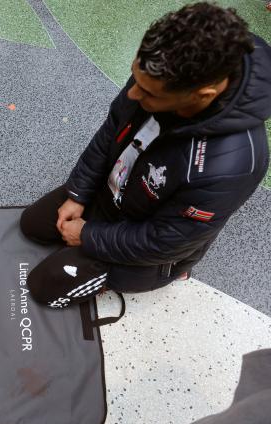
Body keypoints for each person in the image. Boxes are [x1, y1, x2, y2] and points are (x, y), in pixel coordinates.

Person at [20, 3, 270, 309]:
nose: (133, 95)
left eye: (149, 94)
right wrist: (78, 193)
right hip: (112, 195)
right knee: (31, 224)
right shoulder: (157, 71)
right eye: (134, 78)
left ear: (203, 94)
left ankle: (161, 275)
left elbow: (165, 240)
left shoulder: (231, 165)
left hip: (149, 248)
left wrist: (88, 235)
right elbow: (111, 132)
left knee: (44, 287)